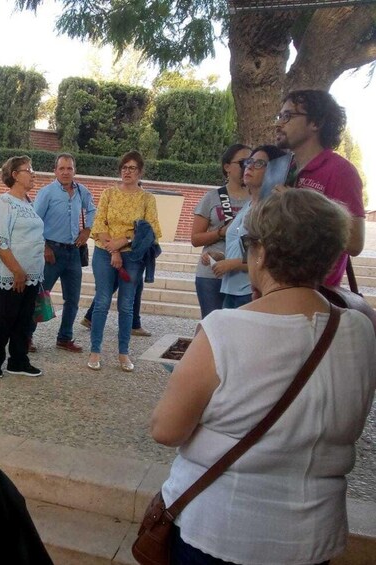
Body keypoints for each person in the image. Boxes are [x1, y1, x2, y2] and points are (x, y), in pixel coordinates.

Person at [151, 189, 376, 565]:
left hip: (220, 529)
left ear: (262, 253)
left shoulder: (224, 330)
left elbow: (166, 430)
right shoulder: (361, 330)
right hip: (315, 536)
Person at [276, 89, 365, 286]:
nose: (278, 123)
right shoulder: (283, 168)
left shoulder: (341, 171)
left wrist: (299, 205)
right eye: (280, 116)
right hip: (274, 287)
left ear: (316, 123)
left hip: (313, 292)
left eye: (288, 116)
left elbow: (355, 243)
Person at [88, 151, 161, 373]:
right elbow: (99, 223)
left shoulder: (147, 199)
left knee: (126, 304)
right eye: (124, 167)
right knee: (102, 301)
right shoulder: (108, 193)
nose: (127, 172)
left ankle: (123, 353)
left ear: (140, 172)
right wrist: (114, 250)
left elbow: (151, 230)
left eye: (132, 168)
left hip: (133, 256)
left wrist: (125, 240)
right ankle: (95, 351)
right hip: (104, 251)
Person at [27, 153, 96, 353]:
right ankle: (26, 337)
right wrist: (44, 247)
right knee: (40, 295)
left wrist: (87, 229)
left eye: (69, 168)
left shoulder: (81, 191)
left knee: (72, 299)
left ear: (75, 170)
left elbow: (92, 210)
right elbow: (34, 221)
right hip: (52, 252)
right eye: (62, 168)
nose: (66, 172)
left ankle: (64, 338)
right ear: (55, 171)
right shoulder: (47, 192)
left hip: (73, 252)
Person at [0, 156, 45, 379]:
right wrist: (17, 271)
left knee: (25, 318)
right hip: (12, 273)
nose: (33, 173)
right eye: (28, 170)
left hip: (32, 274)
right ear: (15, 175)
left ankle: (18, 360)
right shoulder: (5, 202)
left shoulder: (29, 203)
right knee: (7, 317)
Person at [213, 145, 285, 308]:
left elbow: (268, 255)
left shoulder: (271, 209)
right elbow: (246, 248)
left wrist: (233, 264)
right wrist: (222, 257)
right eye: (249, 162)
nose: (250, 167)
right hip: (231, 290)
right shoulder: (248, 205)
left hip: (252, 291)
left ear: (275, 170)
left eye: (259, 163)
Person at [192, 143, 252, 318]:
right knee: (212, 325)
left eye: (252, 162)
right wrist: (220, 233)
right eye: (243, 162)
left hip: (243, 275)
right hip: (212, 273)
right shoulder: (212, 197)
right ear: (227, 167)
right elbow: (195, 239)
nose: (248, 167)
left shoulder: (256, 198)